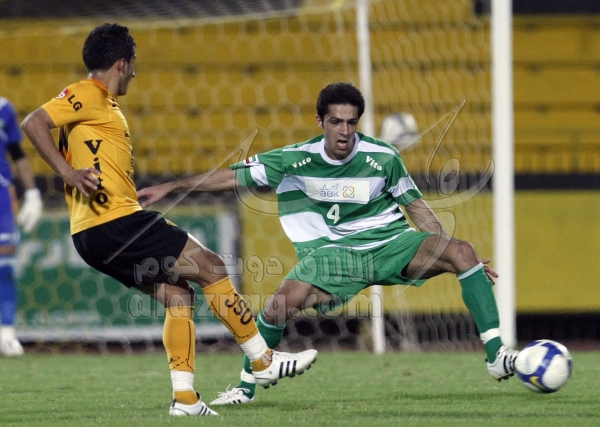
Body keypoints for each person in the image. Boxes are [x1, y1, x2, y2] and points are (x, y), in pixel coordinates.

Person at [138, 81, 521, 405]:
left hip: (390, 244)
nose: (344, 131)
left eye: (351, 122)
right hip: (332, 256)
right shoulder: (295, 159)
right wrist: (173, 186)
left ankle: (497, 356)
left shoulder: (384, 157)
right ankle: (245, 388)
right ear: (320, 122)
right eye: (336, 121)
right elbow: (231, 178)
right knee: (278, 306)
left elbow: (416, 208)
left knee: (463, 251)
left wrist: (450, 252)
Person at [21, 23, 317, 416]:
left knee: (179, 296)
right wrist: (68, 174)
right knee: (211, 266)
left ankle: (185, 399)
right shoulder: (87, 93)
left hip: (90, 233)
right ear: (121, 63)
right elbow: (33, 122)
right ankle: (263, 361)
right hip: (115, 222)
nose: (135, 73)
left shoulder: (104, 106)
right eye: (133, 64)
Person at [0, 97, 43, 357]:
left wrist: (32, 193)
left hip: (2, 196)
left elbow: (16, 152)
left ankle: (6, 334)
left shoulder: (3, 108)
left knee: (4, 266)